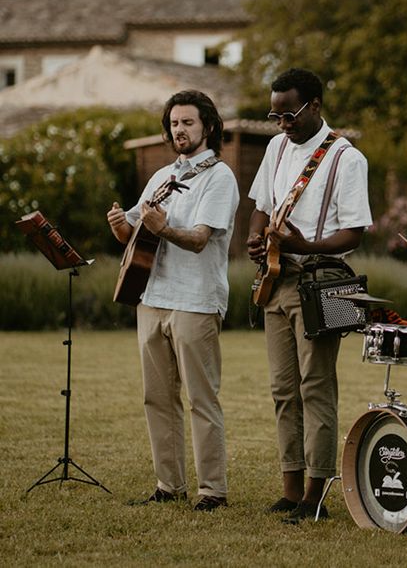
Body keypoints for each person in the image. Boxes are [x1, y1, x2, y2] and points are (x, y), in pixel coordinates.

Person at [246, 67, 372, 524]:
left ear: (315, 105)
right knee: (283, 389)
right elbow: (260, 205)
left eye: (289, 113)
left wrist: (305, 246)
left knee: (316, 386)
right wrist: (255, 240)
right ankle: (290, 489)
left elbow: (353, 234)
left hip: (326, 282)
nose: (282, 122)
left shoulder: (346, 158)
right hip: (277, 280)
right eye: (275, 114)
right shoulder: (276, 146)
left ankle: (315, 495)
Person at [107, 90, 239, 511]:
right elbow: (134, 232)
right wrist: (118, 226)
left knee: (202, 398)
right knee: (157, 397)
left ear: (208, 127)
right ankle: (169, 485)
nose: (179, 130)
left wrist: (161, 227)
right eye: (174, 123)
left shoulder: (220, 177)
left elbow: (200, 239)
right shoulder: (162, 176)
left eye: (188, 123)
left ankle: (212, 491)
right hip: (151, 295)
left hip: (196, 301)